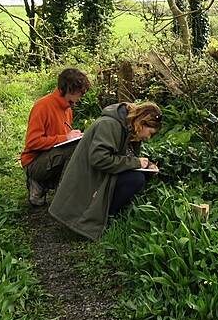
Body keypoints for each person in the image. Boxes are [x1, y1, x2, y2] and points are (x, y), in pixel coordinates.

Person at [48, 101, 162, 241]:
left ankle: (107, 214)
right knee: (135, 180)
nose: (148, 138)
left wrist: (147, 166)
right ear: (142, 122)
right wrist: (136, 163)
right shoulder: (110, 125)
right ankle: (105, 218)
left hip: (101, 174)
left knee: (138, 177)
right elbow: (99, 159)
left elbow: (125, 155)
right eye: (150, 133)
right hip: (88, 179)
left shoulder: (129, 128)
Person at [21, 68, 90, 207]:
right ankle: (62, 199)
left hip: (52, 159)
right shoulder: (43, 106)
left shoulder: (68, 108)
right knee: (73, 148)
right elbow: (32, 142)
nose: (81, 97)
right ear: (70, 89)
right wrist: (65, 138)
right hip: (34, 162)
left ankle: (53, 188)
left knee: (82, 147)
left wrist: (74, 136)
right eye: (80, 93)